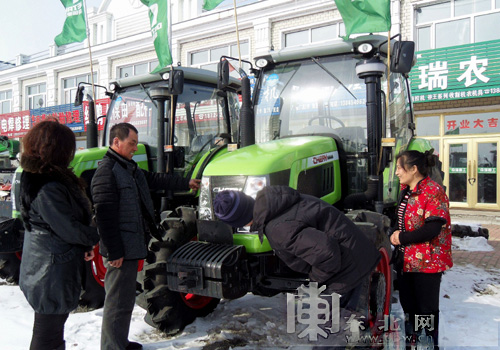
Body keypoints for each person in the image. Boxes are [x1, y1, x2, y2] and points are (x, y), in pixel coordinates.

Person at [91, 122, 200, 350]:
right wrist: (114, 252)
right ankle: (112, 347)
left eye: (136, 143)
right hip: (120, 250)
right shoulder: (107, 172)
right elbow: (104, 216)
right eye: (131, 143)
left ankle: (120, 342)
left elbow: (155, 180)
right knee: (116, 301)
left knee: (125, 300)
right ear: (116, 142)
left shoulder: (128, 168)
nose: (135, 148)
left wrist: (185, 183)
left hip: (130, 246)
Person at [213, 185, 381, 311]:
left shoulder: (277, 229)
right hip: (353, 252)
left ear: (237, 222)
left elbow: (327, 254)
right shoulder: (275, 203)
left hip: (346, 270)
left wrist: (315, 281)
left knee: (326, 332)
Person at [18, 120, 99, 350]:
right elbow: (69, 228)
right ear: (56, 149)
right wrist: (94, 236)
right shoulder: (48, 186)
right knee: (48, 334)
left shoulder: (44, 178)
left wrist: (83, 244)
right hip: (49, 271)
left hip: (49, 264)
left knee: (52, 331)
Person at [390, 150, 453, 350]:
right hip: (406, 261)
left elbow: (432, 228)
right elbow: (401, 219)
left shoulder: (433, 192)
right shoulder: (407, 190)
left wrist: (401, 238)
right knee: (409, 307)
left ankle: (429, 344)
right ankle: (412, 342)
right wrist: (395, 233)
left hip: (427, 262)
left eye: (400, 167)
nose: (397, 172)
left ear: (414, 169)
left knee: (426, 309)